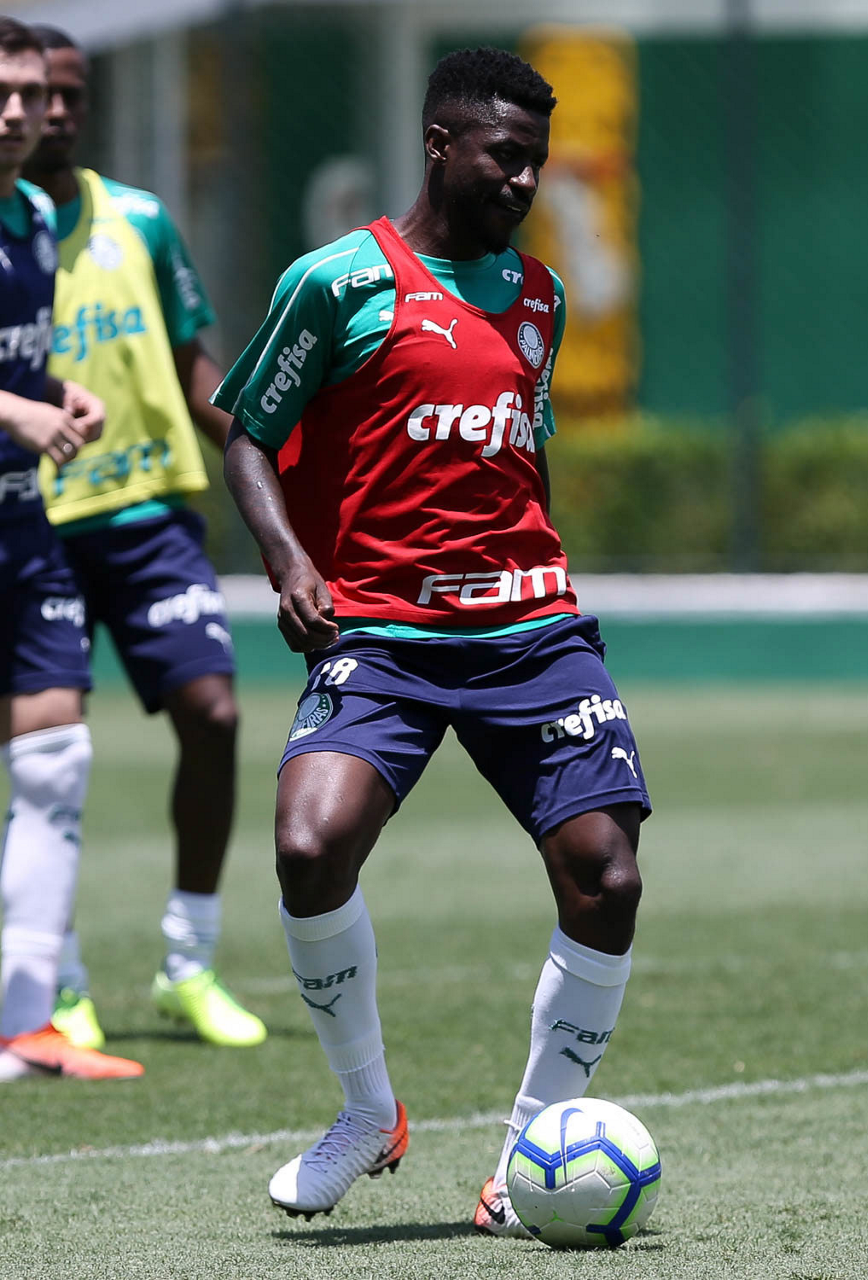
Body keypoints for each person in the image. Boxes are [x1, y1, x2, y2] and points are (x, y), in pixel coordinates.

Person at [218, 46, 650, 1231]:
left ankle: (527, 1159)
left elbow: (518, 453)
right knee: (309, 844)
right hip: (385, 629)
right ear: (439, 144)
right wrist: (290, 561)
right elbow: (248, 432)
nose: (524, 180)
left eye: (537, 161)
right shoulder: (336, 281)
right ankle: (368, 1110)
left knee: (607, 876)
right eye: (505, 156)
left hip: (531, 629)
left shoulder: (540, 296)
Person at [21, 26, 265, 1050]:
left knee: (214, 713)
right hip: (33, 519)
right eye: (38, 92)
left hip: (149, 512)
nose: (54, 111)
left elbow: (194, 362)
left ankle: (188, 962)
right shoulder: (12, 229)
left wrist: (271, 460)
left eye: (71, 94)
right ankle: (54, 978)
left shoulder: (143, 220)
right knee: (45, 752)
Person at [0, 16, 145, 1080]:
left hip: (21, 526)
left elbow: (18, 363)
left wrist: (59, 394)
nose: (21, 113)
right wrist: (21, 413)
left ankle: (25, 1021)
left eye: (32, 95)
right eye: (2, 94)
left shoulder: (38, 215)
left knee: (56, 759)